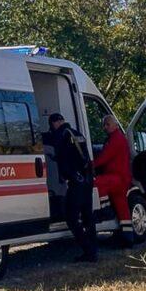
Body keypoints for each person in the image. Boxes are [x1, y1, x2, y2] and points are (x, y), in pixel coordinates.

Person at [42, 111, 97, 262]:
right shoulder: (77, 133)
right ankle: (93, 251)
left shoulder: (61, 135)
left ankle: (88, 250)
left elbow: (64, 158)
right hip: (87, 179)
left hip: (76, 181)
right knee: (87, 216)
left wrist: (64, 175)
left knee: (71, 217)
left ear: (54, 123)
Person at [94, 114, 134, 247]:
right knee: (123, 210)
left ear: (115, 124)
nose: (105, 127)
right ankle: (127, 238)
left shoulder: (116, 139)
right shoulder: (117, 138)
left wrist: (89, 165)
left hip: (117, 177)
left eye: (107, 124)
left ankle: (105, 211)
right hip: (121, 178)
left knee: (97, 184)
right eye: (104, 125)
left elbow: (105, 157)